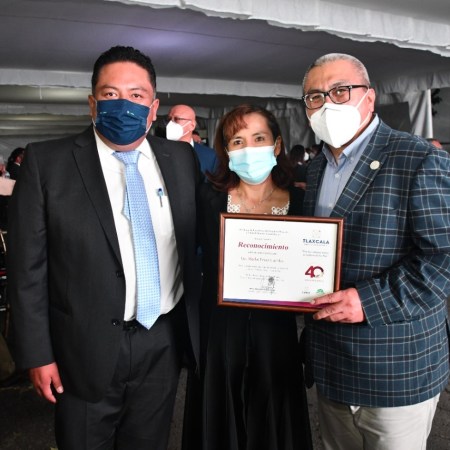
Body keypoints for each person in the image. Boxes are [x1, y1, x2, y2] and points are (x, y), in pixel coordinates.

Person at [8, 45, 202, 450]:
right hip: (82, 345)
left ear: (153, 107)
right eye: (111, 94)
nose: (123, 104)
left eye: (136, 95)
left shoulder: (181, 159)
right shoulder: (48, 164)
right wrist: (36, 354)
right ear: (92, 103)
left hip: (162, 339)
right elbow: (27, 270)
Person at [300, 53, 450, 450]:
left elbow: (444, 259)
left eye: (340, 91)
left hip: (396, 366)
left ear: (369, 97)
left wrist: (369, 301)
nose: (327, 104)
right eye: (315, 97)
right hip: (332, 362)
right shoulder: (316, 168)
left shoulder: (419, 158)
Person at [197, 104, 312, 450]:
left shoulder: (302, 202)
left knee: (275, 422)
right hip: (220, 331)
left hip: (277, 332)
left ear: (276, 145)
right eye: (237, 141)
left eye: (259, 138)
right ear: (226, 151)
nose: (249, 149)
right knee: (220, 421)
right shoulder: (208, 199)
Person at [166, 104, 217, 176]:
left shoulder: (210, 156)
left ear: (192, 125)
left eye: (176, 119)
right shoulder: (159, 151)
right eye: (169, 119)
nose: (170, 123)